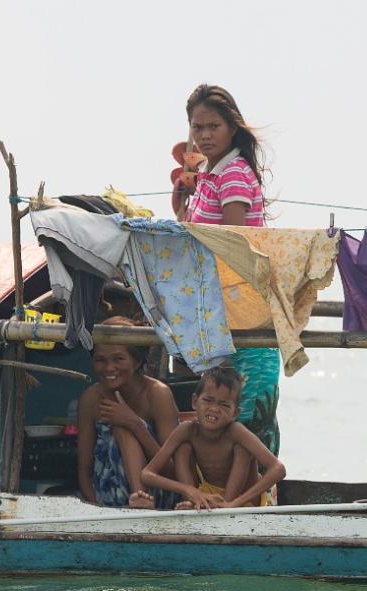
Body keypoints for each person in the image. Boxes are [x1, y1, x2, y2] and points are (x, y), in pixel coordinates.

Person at [181, 84, 282, 467]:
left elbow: (233, 247)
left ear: (231, 128)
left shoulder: (235, 174)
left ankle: (257, 504)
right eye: (197, 127)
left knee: (247, 426)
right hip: (221, 316)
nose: (205, 135)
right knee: (221, 425)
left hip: (244, 315)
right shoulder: (209, 174)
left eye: (213, 127)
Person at [141, 366, 285, 511]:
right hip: (203, 497)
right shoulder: (186, 430)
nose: (214, 409)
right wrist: (188, 490)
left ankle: (225, 507)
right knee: (183, 448)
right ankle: (192, 503)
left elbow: (278, 469)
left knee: (242, 449)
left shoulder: (236, 431)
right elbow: (147, 474)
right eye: (208, 400)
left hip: (244, 502)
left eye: (224, 405)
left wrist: (234, 503)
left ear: (235, 413)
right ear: (194, 402)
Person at [76, 316, 180, 508]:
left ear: (137, 360)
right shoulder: (90, 399)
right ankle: (135, 501)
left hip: (158, 495)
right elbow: (84, 470)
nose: (109, 368)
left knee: (122, 424)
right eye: (100, 360)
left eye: (119, 359)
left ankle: (140, 499)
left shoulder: (157, 394)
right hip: (108, 496)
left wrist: (135, 424)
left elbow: (173, 470)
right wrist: (94, 507)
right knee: (119, 424)